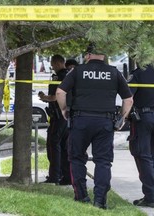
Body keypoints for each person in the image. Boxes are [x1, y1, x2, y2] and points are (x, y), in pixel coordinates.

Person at [56, 42, 133, 209]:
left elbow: (60, 92)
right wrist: (121, 119)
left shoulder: (77, 71)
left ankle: (81, 196)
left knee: (76, 158)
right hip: (105, 122)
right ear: (104, 56)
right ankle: (100, 201)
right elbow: (129, 99)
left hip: (80, 120)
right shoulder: (114, 72)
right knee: (103, 161)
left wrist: (64, 110)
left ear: (88, 55)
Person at [38, 54, 71, 185]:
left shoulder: (59, 76)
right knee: (64, 147)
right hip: (66, 116)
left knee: (53, 145)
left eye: (52, 65)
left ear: (57, 64)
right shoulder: (70, 75)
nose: (52, 68)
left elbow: (56, 96)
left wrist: (45, 97)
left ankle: (54, 176)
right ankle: (66, 176)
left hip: (58, 116)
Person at [127, 64, 154, 208]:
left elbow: (128, 97)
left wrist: (122, 117)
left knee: (143, 155)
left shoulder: (139, 73)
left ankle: (151, 196)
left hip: (144, 118)